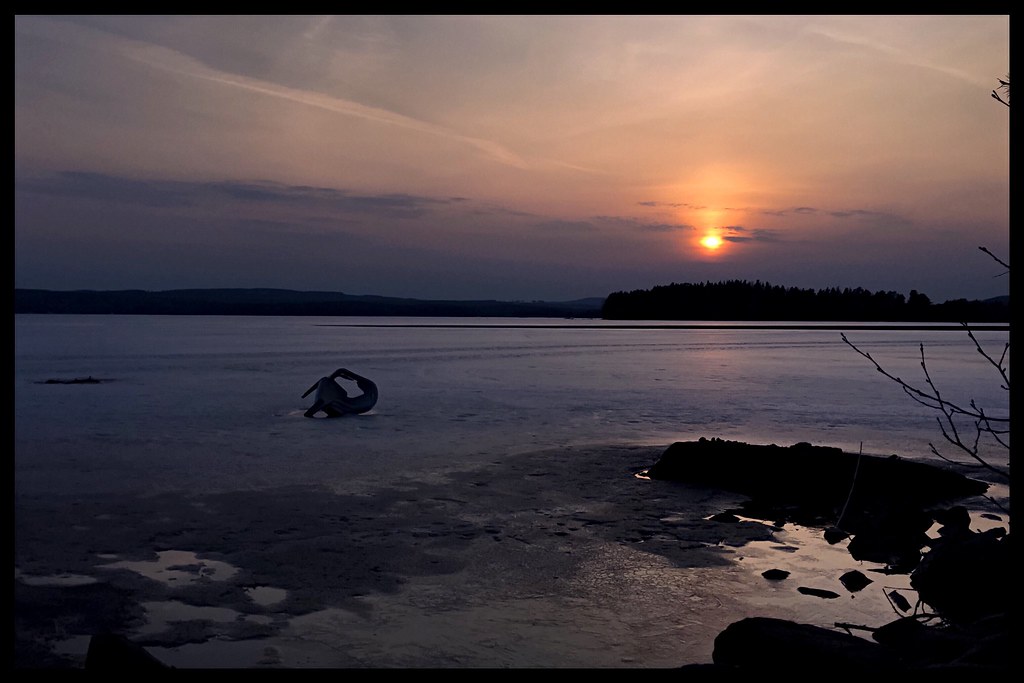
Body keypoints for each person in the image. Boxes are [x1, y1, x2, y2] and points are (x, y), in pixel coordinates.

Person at [302, 368, 378, 417]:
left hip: (343, 405)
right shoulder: (370, 394)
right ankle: (324, 403)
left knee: (326, 384)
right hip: (342, 406)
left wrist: (338, 373)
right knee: (326, 382)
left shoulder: (370, 391)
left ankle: (324, 403)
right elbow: (342, 371)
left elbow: (342, 370)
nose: (358, 385)